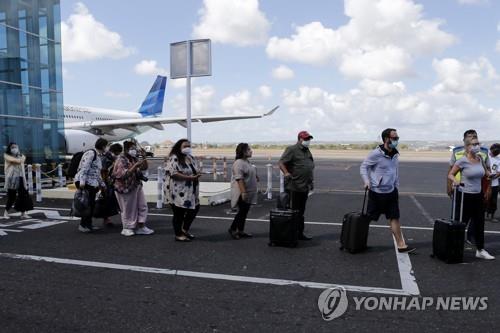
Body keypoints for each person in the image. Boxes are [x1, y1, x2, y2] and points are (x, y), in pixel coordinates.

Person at [360, 128, 415, 253]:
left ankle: (401, 245)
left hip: (391, 192)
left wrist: (396, 184)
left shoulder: (395, 153)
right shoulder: (376, 153)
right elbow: (364, 167)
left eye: (397, 138)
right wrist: (366, 180)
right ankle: (358, 240)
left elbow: (395, 170)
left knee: (394, 217)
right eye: (394, 138)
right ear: (386, 139)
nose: (397, 140)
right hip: (376, 193)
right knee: (368, 218)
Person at [448, 136, 495, 260]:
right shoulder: (462, 161)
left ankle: (480, 250)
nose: (477, 146)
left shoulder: (480, 159)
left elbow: (487, 174)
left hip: (478, 195)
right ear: (468, 146)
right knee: (461, 223)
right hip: (465, 196)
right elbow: (450, 174)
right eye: (474, 144)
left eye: (478, 144)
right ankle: (454, 249)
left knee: (479, 223)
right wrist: (455, 182)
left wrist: (493, 175)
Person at [278, 131, 315, 240]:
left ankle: (299, 233)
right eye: (306, 139)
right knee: (293, 211)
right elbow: (281, 162)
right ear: (300, 139)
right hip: (294, 186)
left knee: (301, 212)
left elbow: (310, 166)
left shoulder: (307, 151)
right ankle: (291, 234)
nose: (308, 141)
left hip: (304, 187)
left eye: (309, 139)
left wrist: (311, 181)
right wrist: (286, 173)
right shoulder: (292, 149)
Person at [113, 141, 154, 237]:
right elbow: (121, 175)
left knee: (142, 206)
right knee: (128, 208)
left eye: (135, 148)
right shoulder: (121, 159)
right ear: (126, 149)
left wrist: (144, 157)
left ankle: (141, 226)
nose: (134, 150)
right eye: (132, 148)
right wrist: (135, 166)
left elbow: (144, 168)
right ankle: (127, 228)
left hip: (136, 185)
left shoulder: (134, 158)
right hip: (125, 187)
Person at [165, 139, 201, 242]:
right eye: (185, 146)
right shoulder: (174, 158)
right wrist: (190, 178)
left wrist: (197, 174)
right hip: (178, 191)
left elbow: (194, 169)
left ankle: (184, 229)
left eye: (189, 146)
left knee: (195, 208)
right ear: (179, 147)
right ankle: (178, 234)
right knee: (179, 213)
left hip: (191, 189)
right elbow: (173, 173)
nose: (187, 148)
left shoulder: (190, 157)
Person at [74, 138, 108, 232]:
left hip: (92, 183)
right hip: (86, 182)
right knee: (87, 204)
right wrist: (82, 182)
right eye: (106, 145)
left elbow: (97, 172)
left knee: (91, 204)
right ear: (103, 146)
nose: (107, 148)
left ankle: (88, 224)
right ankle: (82, 225)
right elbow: (85, 168)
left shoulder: (97, 155)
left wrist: (102, 184)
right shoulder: (91, 153)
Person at [228, 143, 258, 239]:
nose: (251, 151)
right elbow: (239, 178)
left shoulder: (246, 162)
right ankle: (233, 229)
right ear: (243, 152)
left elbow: (249, 172)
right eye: (248, 149)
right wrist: (243, 192)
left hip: (249, 191)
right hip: (243, 191)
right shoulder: (239, 163)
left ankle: (240, 230)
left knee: (244, 212)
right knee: (242, 212)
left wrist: (256, 176)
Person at [2, 143, 30, 219]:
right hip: (12, 178)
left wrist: (21, 159)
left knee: (23, 196)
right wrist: (21, 159)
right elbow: (16, 161)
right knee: (12, 197)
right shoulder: (6, 155)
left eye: (16, 147)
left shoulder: (20, 155)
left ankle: (23, 213)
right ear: (9, 148)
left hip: (20, 177)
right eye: (13, 147)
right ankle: (6, 212)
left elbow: (22, 159)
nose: (15, 148)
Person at [99, 143, 123, 227]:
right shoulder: (107, 158)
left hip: (110, 182)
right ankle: (106, 219)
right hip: (107, 183)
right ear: (115, 151)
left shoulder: (109, 157)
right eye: (118, 153)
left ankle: (107, 218)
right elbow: (103, 171)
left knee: (110, 200)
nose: (118, 154)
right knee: (107, 200)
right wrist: (104, 183)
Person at [486, 143, 500, 222]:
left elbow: (499, 172)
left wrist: (492, 177)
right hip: (484, 183)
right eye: (493, 151)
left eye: (497, 152)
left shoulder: (498, 160)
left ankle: (492, 216)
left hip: (494, 184)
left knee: (493, 201)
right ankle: (482, 215)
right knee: (483, 199)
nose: (494, 153)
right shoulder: (485, 156)